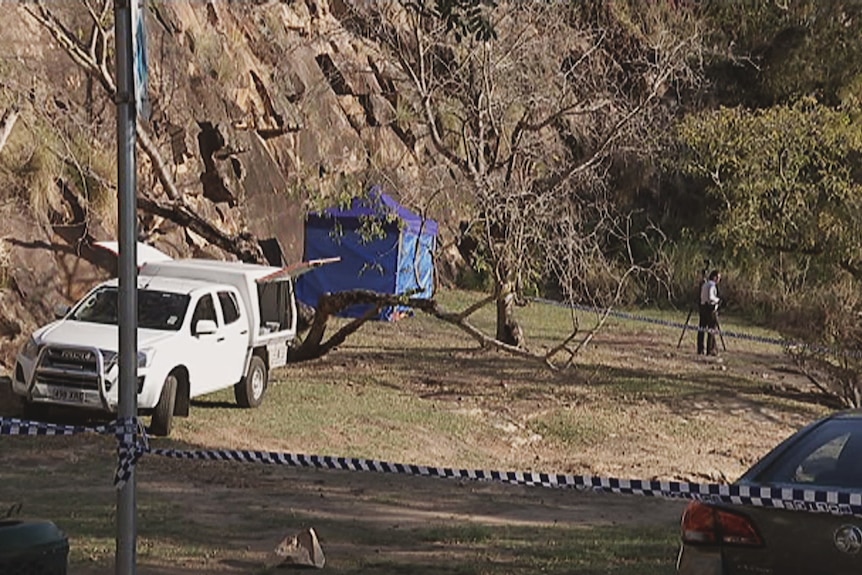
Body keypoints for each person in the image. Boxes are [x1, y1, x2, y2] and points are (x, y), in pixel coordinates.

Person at [697, 270, 721, 356]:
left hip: (703, 308)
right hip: (710, 309)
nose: (718, 280)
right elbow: (711, 297)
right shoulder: (712, 285)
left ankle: (700, 349)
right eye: (718, 278)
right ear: (714, 277)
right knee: (711, 330)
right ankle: (710, 349)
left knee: (701, 329)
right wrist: (718, 300)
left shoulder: (704, 285)